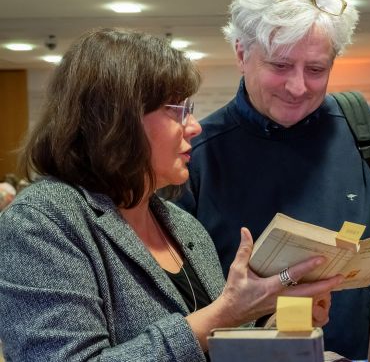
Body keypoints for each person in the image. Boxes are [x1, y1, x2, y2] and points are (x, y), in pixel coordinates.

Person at [0, 28, 341, 361]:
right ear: (116, 120)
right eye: (176, 110)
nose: (194, 126)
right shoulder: (41, 223)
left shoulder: (182, 226)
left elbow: (217, 345)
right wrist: (221, 316)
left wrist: (277, 318)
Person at [176, 0, 370, 359]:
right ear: (242, 53)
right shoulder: (196, 153)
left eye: (316, 70)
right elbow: (180, 296)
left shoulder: (361, 128)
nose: (298, 88)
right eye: (280, 66)